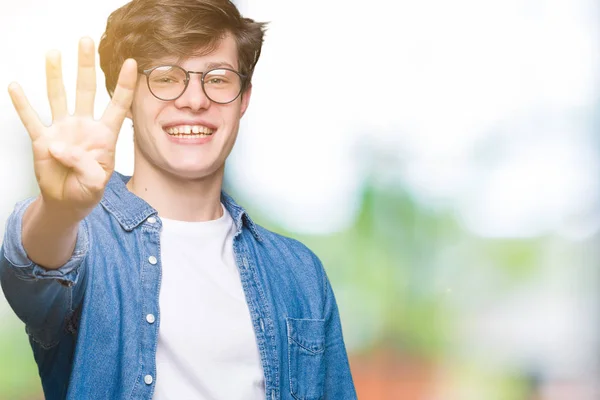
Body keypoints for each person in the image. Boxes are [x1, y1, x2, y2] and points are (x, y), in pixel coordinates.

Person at [0, 0, 357, 399]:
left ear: (243, 98)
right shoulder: (83, 240)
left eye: (218, 79)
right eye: (167, 78)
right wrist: (60, 211)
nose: (194, 99)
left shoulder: (300, 275)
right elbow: (32, 265)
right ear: (126, 95)